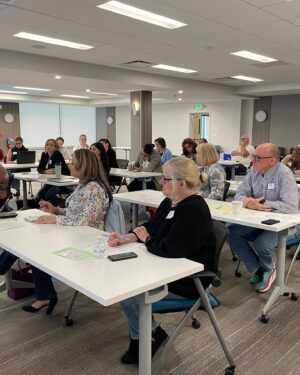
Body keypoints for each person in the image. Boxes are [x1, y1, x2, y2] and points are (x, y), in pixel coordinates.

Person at [108, 157, 216, 364]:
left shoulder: (193, 210)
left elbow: (171, 249)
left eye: (166, 179)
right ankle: (150, 333)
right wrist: (130, 237)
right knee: (123, 283)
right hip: (166, 268)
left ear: (181, 183)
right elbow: (152, 226)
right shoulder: (171, 201)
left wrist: (146, 239)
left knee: (129, 294)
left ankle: (147, 336)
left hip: (188, 280)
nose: (161, 183)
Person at [22, 149, 113, 314]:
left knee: (38, 248)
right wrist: (56, 211)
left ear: (83, 166)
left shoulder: (94, 188)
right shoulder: (83, 185)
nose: (69, 166)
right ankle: (45, 295)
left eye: (73, 163)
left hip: (87, 239)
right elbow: (74, 213)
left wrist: (55, 219)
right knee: (36, 247)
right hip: (75, 233)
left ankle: (45, 295)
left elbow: (86, 221)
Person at [227, 143, 299, 293]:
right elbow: (240, 194)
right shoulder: (254, 171)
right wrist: (249, 202)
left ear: (272, 160)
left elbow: (291, 207)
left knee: (262, 243)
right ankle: (259, 269)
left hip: (285, 223)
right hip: (257, 220)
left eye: (258, 158)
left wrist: (261, 203)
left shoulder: (284, 174)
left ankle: (268, 269)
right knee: (231, 233)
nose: (253, 160)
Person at [36, 139, 71, 206]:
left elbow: (54, 170)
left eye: (51, 145)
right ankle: (45, 209)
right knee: (39, 196)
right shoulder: (44, 154)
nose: (49, 146)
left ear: (55, 147)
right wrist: (45, 171)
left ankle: (58, 209)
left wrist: (46, 171)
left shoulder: (57, 154)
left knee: (48, 195)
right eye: (47, 145)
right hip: (50, 181)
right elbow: (39, 168)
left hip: (61, 181)